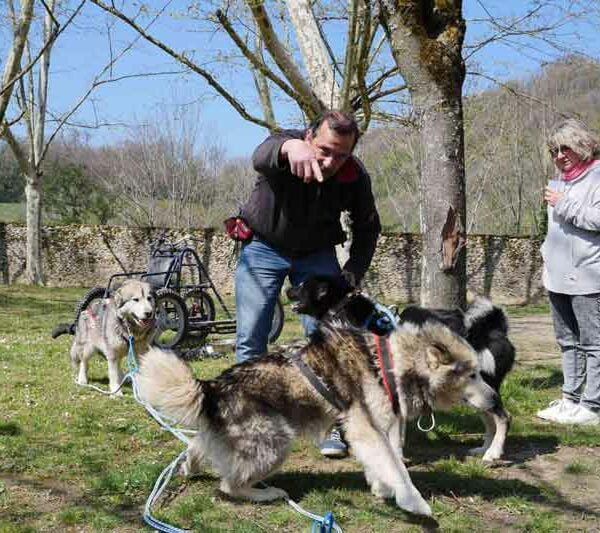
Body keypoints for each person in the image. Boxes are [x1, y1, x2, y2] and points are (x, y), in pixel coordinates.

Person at [234, 110, 381, 456]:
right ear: (309, 136)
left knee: (329, 343)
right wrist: (289, 149)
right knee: (252, 337)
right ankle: (245, 421)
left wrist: (354, 271)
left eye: (342, 154)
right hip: (263, 247)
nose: (331, 161)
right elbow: (261, 155)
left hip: (317, 254)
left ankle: (327, 427)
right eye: (324, 150)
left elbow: (367, 226)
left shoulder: (353, 175)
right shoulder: (284, 146)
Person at [536, 118, 600, 426]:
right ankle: (570, 399)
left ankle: (592, 405)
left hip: (589, 276)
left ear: (583, 146)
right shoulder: (559, 183)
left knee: (593, 343)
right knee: (567, 341)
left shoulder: (597, 177)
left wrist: (564, 205)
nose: (559, 156)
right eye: (554, 151)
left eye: (565, 148)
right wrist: (546, 254)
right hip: (557, 276)